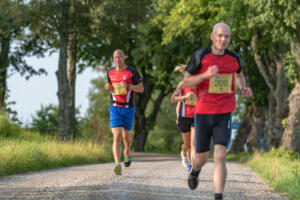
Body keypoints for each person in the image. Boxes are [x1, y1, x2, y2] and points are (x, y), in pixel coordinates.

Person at [182, 23, 252, 200]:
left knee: (220, 155)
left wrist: (243, 88)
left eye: (226, 36)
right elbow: (186, 82)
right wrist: (205, 75)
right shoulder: (200, 56)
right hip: (203, 113)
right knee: (202, 158)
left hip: (224, 113)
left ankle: (218, 196)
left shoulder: (234, 58)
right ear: (212, 37)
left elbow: (239, 74)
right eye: (220, 36)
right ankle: (195, 171)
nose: (223, 39)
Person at [105, 49, 144, 175]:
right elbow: (110, 86)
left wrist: (128, 86)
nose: (117, 59)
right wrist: (108, 87)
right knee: (117, 135)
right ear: (113, 58)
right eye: (115, 57)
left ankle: (127, 152)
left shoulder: (131, 71)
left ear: (124, 57)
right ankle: (117, 164)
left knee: (126, 137)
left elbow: (141, 89)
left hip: (128, 108)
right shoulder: (110, 72)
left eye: (120, 57)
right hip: (115, 107)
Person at [171, 65, 196, 174]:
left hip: (197, 116)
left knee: (193, 143)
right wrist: (185, 97)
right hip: (184, 116)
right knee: (186, 144)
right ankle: (183, 154)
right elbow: (173, 99)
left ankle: (193, 167)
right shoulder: (182, 84)